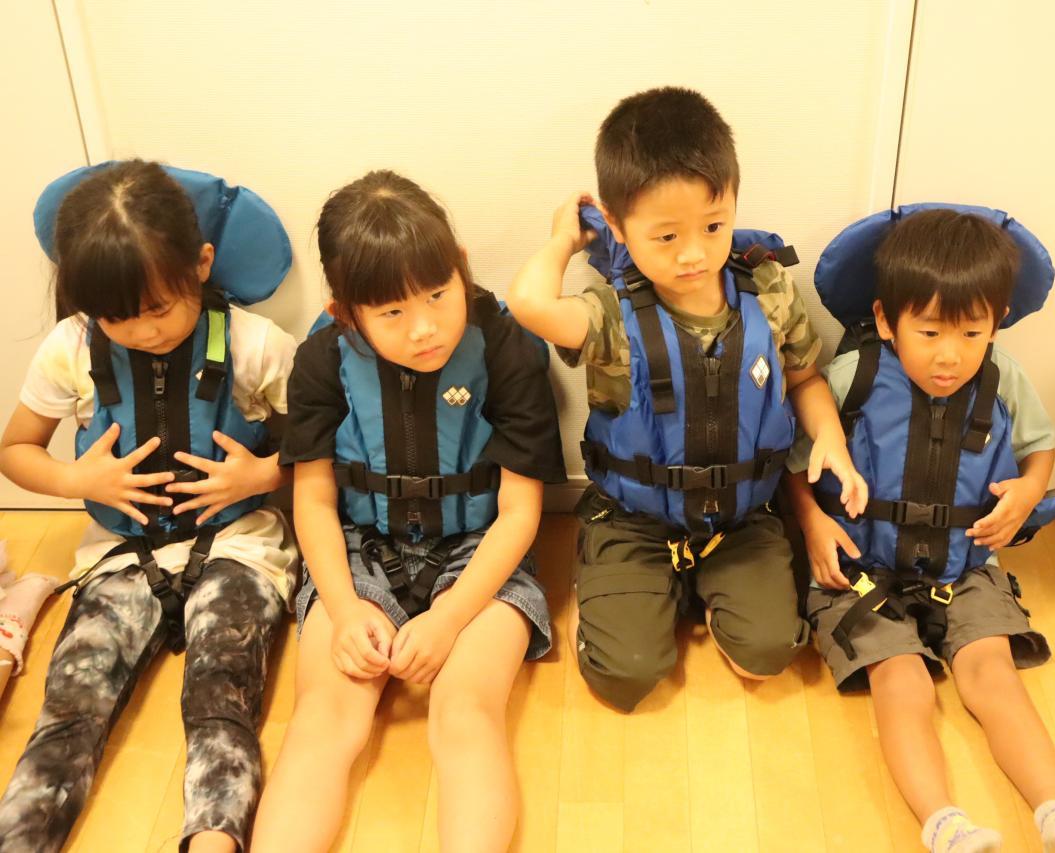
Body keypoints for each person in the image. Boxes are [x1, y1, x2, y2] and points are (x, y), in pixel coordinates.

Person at [508, 86, 862, 712]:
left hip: (743, 518)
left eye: (713, 226)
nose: (694, 252)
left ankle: (704, 589)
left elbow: (805, 378)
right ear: (620, 227)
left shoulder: (768, 289)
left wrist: (829, 438)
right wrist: (564, 239)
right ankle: (640, 588)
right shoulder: (610, 315)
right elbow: (529, 304)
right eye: (667, 235)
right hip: (634, 519)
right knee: (624, 677)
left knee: (769, 653)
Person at [251, 170, 564, 853]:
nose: (425, 328)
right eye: (392, 313)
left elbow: (519, 512)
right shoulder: (322, 359)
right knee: (324, 717)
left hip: (480, 550)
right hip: (360, 549)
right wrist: (343, 609)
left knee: (465, 713)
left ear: (462, 270)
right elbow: (314, 499)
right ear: (347, 314)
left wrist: (448, 619)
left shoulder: (506, 349)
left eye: (438, 294)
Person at [0, 159, 297, 853]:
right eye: (118, 317)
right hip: (119, 554)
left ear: (202, 264)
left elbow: (324, 449)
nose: (143, 331)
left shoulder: (256, 345)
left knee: (221, 692)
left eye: (158, 309)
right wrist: (80, 480)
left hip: (239, 544)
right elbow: (15, 449)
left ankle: (214, 839)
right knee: (71, 703)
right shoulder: (71, 347)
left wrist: (258, 474)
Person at [789, 206, 1055, 852]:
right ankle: (946, 825)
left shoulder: (1004, 378)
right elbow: (795, 463)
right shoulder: (853, 377)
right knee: (901, 679)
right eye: (929, 331)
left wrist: (1029, 490)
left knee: (993, 673)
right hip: (861, 571)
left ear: (998, 322)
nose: (949, 354)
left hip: (967, 565)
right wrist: (814, 523)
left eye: (971, 332)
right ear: (886, 320)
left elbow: (1040, 447)